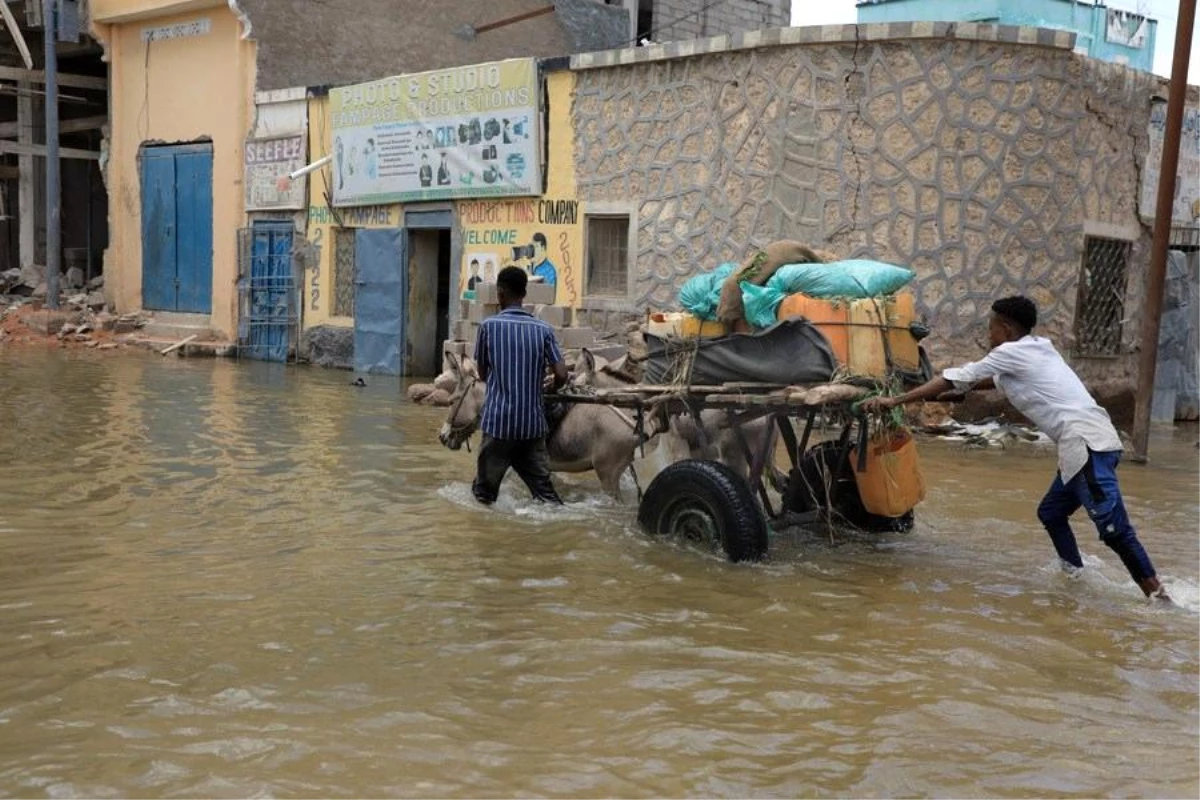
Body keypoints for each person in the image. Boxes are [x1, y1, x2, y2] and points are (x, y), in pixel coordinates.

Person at [861, 296, 1171, 602]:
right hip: (1084, 444)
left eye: (991, 327)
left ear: (1006, 329)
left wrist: (894, 401)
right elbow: (985, 382)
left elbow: (959, 377)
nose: (988, 335)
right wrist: (935, 393)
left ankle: (1159, 598)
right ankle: (1074, 576)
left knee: (1114, 529)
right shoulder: (1037, 348)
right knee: (1052, 513)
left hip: (1087, 445)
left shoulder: (1010, 352)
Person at [471, 266, 569, 506]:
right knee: (546, 497)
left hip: (498, 426)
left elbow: (483, 374)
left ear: (500, 293)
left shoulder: (488, 327)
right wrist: (552, 387)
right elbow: (562, 374)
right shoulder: (543, 330)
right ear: (524, 294)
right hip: (532, 427)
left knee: (484, 497)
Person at [529, 232, 557, 302]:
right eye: (532, 247)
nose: (533, 250)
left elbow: (549, 295)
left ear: (543, 248)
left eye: (536, 246)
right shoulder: (530, 267)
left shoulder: (549, 269)